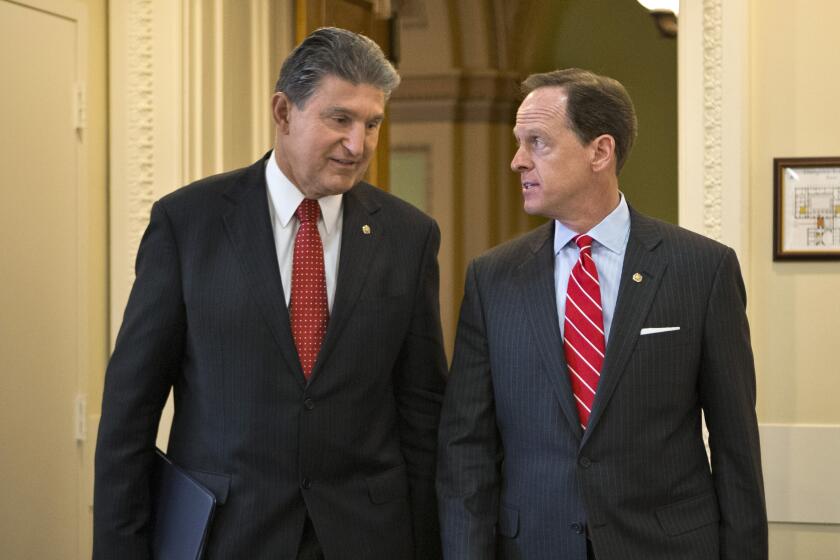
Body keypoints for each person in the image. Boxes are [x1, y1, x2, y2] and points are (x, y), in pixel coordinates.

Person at [94, 27, 447, 559]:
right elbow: (129, 412)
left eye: (372, 123)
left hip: (367, 537)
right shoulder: (188, 223)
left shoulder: (408, 236)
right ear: (284, 112)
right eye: (340, 119)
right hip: (226, 535)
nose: (358, 144)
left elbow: (422, 410)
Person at [437, 68, 767, 560]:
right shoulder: (493, 278)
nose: (517, 161)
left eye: (537, 143)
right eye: (518, 142)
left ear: (600, 151)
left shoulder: (703, 268)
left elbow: (736, 444)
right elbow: (466, 447)